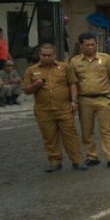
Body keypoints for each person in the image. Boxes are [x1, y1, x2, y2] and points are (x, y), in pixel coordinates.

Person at [22, 43, 88, 172]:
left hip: (64, 108)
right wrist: (37, 84)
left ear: (54, 55)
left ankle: (77, 161)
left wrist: (74, 101)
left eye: (49, 55)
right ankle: (55, 161)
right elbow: (26, 90)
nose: (46, 57)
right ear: (39, 55)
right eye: (43, 55)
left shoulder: (65, 67)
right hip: (43, 110)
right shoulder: (31, 70)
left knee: (71, 135)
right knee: (49, 137)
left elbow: (73, 84)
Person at [71, 32, 110, 169]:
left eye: (93, 44)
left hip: (103, 99)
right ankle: (92, 156)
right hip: (84, 101)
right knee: (87, 130)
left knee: (108, 130)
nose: (90, 47)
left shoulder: (105, 59)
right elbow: (73, 83)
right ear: (81, 45)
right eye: (87, 45)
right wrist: (74, 101)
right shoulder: (75, 61)